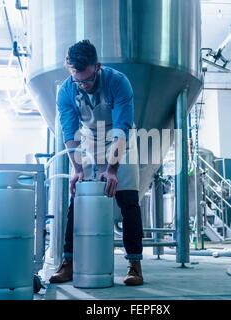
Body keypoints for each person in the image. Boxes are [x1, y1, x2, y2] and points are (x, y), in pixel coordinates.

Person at [49, 40, 144, 286]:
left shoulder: (118, 82)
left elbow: (123, 127)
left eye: (88, 80)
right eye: (78, 80)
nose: (83, 85)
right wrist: (77, 168)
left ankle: (134, 264)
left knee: (129, 202)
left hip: (119, 141)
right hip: (89, 143)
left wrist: (112, 169)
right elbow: (69, 134)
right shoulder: (66, 91)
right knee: (77, 201)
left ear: (97, 66)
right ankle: (69, 262)